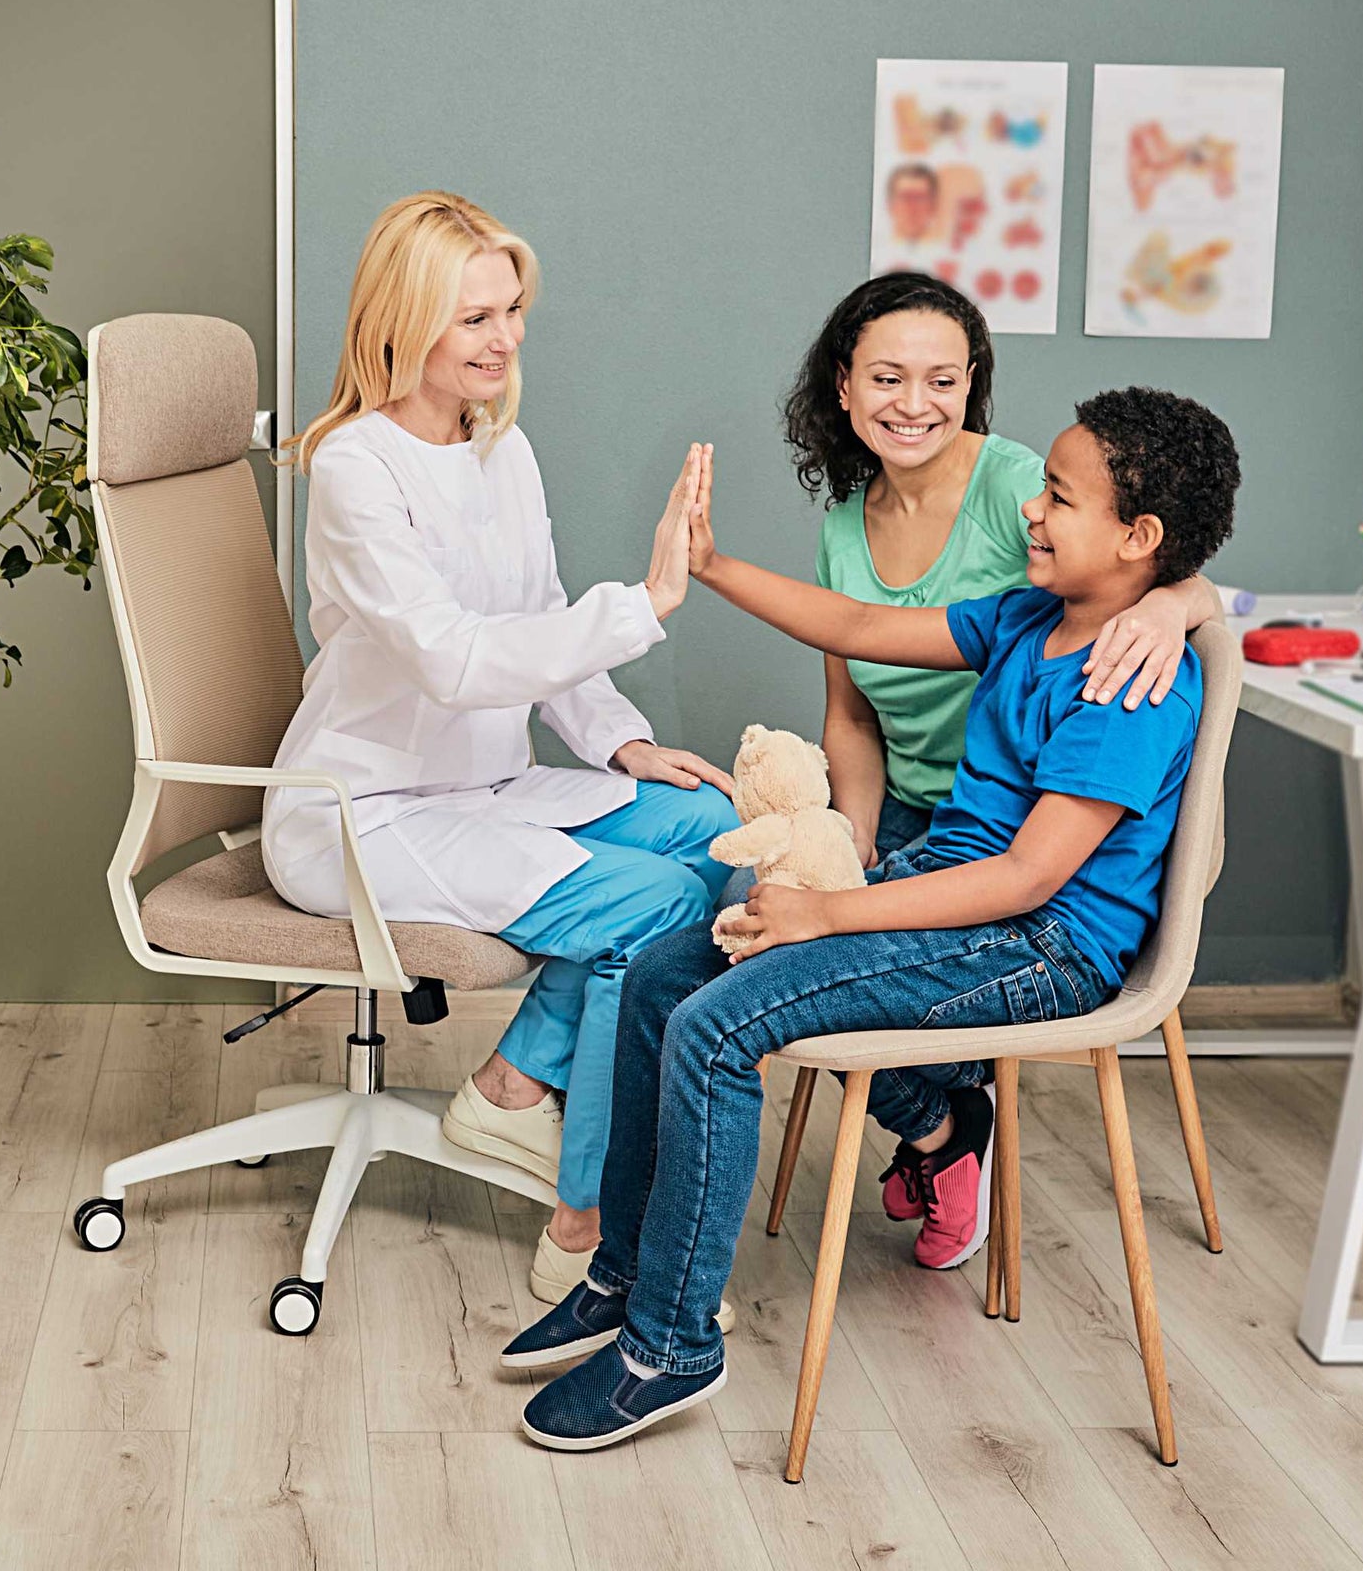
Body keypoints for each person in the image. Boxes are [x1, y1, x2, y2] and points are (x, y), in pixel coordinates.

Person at [506, 385, 1239, 1451]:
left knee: (717, 1025)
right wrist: (709, 566)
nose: (1032, 509)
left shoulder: (1130, 683)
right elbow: (856, 626)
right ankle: (624, 1275)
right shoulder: (1028, 616)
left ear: (1140, 539)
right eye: (1041, 487)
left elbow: (1030, 879)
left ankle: (670, 1347)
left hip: (1038, 947)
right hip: (951, 901)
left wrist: (830, 910)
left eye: (1061, 497)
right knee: (671, 970)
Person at [264, 191, 739, 1310]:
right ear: (401, 320)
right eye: (473, 316)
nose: (505, 337)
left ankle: (513, 1083)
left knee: (720, 837)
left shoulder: (501, 451)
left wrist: (623, 743)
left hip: (486, 787)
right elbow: (456, 661)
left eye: (512, 309)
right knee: (657, 908)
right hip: (362, 813)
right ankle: (590, 1216)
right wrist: (651, 601)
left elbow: (543, 627)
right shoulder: (352, 467)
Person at [782, 274, 1218, 876]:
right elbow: (852, 715)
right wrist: (855, 837)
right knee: (742, 899)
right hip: (905, 810)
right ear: (844, 385)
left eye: (941, 381)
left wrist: (1170, 605)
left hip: (1016, 817)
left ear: (969, 384)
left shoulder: (1020, 488)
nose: (913, 405)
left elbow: (1143, 556)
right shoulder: (841, 533)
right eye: (887, 379)